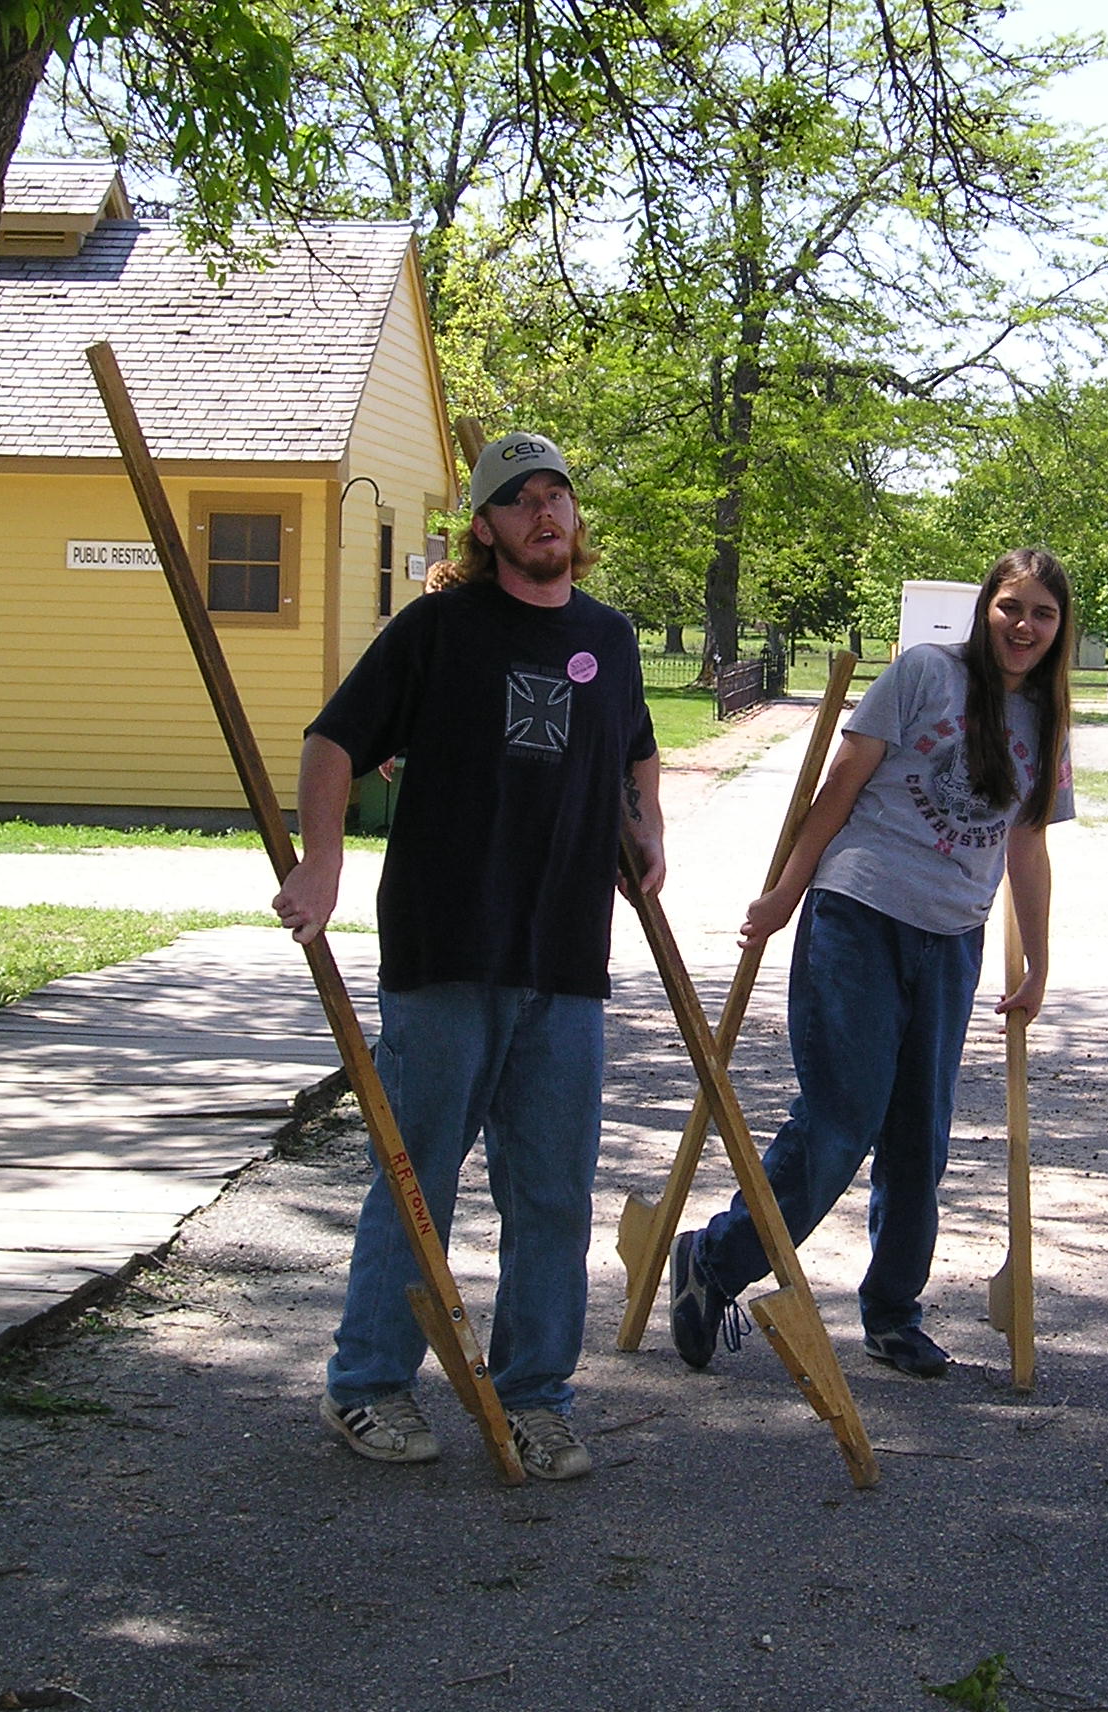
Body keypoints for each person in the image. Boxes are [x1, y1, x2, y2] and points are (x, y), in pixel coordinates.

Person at [273, 431, 664, 1480]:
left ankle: (535, 1396)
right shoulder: (438, 629)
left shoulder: (608, 637)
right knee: (418, 1180)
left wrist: (647, 829)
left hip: (564, 959)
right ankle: (367, 1385)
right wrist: (322, 862)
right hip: (445, 948)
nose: (544, 512)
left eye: (556, 495)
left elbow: (634, 749)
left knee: (553, 1195)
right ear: (484, 527)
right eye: (518, 498)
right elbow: (332, 741)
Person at [670, 548, 1076, 1378]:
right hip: (859, 913)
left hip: (953, 938)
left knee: (919, 1137)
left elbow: (1028, 847)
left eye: (1042, 613)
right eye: (1011, 606)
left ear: (1060, 627)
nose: (1024, 625)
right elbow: (841, 786)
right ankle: (715, 1258)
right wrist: (786, 894)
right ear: (985, 608)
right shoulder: (926, 673)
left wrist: (1037, 962)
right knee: (842, 1119)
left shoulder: (1047, 720)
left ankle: (893, 1313)